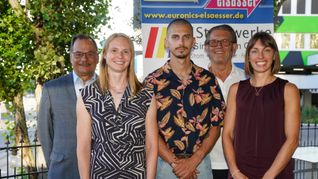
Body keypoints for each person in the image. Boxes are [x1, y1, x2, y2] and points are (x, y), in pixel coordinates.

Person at [144, 18, 226, 179]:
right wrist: (176, 164)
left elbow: (216, 125)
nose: (181, 42)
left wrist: (194, 161)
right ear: (166, 42)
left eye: (186, 37)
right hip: (164, 166)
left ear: (193, 41)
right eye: (175, 37)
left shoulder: (208, 80)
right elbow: (149, 129)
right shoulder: (151, 81)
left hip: (200, 164)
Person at [76, 33, 158, 179]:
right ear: (105, 54)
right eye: (114, 50)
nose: (120, 56)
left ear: (131, 57)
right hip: (100, 174)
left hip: (136, 174)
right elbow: (83, 147)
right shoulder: (87, 96)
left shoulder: (146, 95)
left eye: (125, 51)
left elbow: (151, 145)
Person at [223, 32, 300, 179]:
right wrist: (235, 172)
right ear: (248, 57)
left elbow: (293, 139)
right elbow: (227, 134)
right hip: (240, 173)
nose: (260, 56)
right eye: (254, 51)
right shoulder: (236, 89)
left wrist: (269, 176)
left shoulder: (289, 90)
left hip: (276, 173)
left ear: (274, 56)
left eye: (267, 50)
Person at [37, 34, 99, 179]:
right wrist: (54, 162)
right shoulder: (51, 89)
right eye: (78, 54)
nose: (84, 59)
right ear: (71, 57)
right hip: (62, 171)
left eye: (90, 54)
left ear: (97, 57)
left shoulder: (109, 89)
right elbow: (45, 132)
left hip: (100, 171)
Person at [204, 24, 246, 179]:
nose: (219, 46)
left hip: (239, 165)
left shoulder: (248, 80)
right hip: (203, 164)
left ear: (234, 47)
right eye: (214, 42)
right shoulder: (195, 81)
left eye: (225, 42)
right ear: (206, 48)